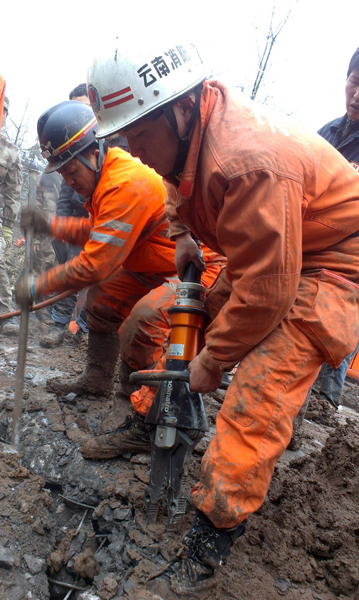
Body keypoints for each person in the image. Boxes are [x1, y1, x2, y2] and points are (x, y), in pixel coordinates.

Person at [86, 38, 359, 600]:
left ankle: (210, 541)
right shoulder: (189, 130)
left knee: (255, 396)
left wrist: (213, 361)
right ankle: (151, 420)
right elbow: (175, 183)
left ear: (181, 110)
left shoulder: (246, 157)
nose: (132, 150)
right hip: (273, 246)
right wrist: (184, 233)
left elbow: (269, 289)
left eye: (137, 134)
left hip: (333, 261)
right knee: (150, 320)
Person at [15, 100, 224, 409]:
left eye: (71, 170)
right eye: (62, 174)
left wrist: (37, 286)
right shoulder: (105, 176)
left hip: (197, 269)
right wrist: (51, 225)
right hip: (156, 264)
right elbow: (99, 231)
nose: (69, 182)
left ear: (93, 153)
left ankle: (137, 410)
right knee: (103, 297)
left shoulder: (124, 182)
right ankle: (97, 379)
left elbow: (95, 264)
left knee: (142, 321)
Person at [310, 46, 359, 408]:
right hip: (316, 249)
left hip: (353, 264)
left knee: (338, 335)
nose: (356, 95)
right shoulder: (327, 132)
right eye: (354, 82)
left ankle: (325, 407)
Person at [40, 83, 91, 348]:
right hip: (76, 221)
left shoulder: (106, 141)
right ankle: (59, 324)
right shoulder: (66, 145)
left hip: (102, 220)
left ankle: (84, 328)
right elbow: (64, 194)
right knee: (70, 270)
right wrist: (58, 227)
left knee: (99, 278)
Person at [0, 95, 23, 335]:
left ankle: (4, 314)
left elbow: (12, 193)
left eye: (4, 110)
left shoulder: (10, 152)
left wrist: (7, 226)